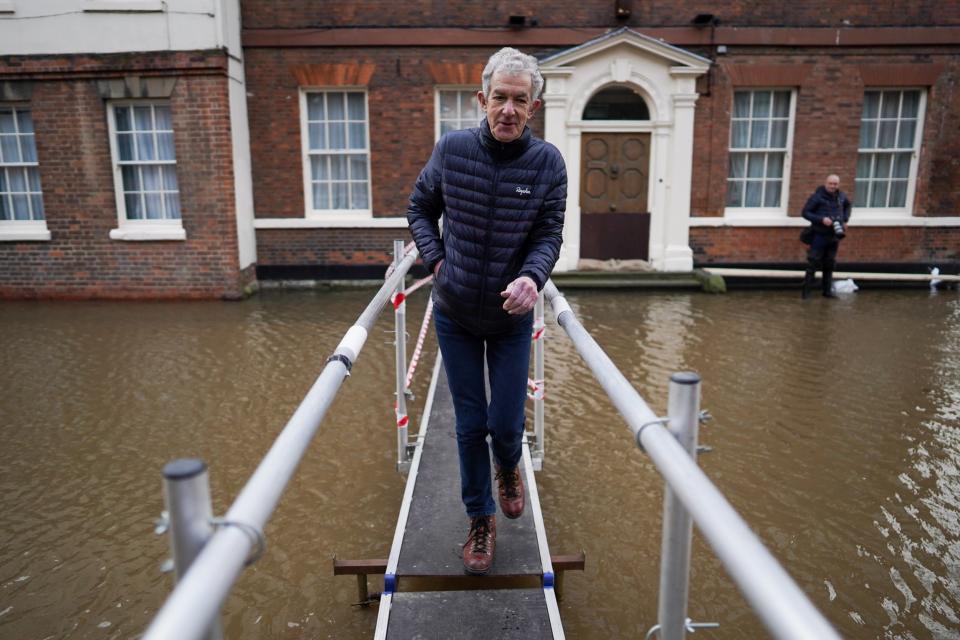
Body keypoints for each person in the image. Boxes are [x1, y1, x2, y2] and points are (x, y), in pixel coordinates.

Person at [406, 47, 566, 575]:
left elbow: (548, 234)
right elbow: (420, 207)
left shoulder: (547, 165)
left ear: (533, 106)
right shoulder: (451, 150)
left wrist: (532, 277)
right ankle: (480, 517)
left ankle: (510, 466)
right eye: (500, 97)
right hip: (453, 310)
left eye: (521, 100)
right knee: (470, 424)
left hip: (510, 319)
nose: (509, 110)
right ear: (482, 98)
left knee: (504, 423)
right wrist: (436, 260)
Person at [801, 174, 851, 298]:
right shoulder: (817, 197)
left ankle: (827, 292)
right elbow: (805, 212)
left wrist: (845, 220)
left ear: (838, 185)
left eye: (835, 184)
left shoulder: (841, 196)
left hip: (834, 235)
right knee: (813, 263)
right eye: (831, 183)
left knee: (829, 263)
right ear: (826, 183)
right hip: (819, 234)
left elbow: (848, 206)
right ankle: (806, 294)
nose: (833, 186)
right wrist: (821, 219)